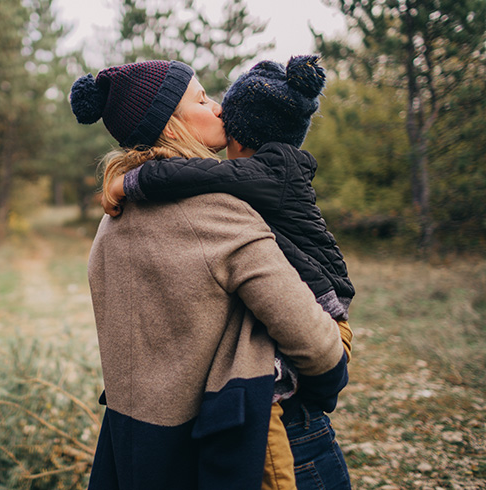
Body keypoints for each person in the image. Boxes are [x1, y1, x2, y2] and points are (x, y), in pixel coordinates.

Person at [70, 59, 349, 490]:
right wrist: (331, 378)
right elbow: (317, 346)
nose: (219, 108)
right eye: (202, 99)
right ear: (171, 125)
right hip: (258, 444)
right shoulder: (220, 212)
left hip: (153, 453)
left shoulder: (113, 220)